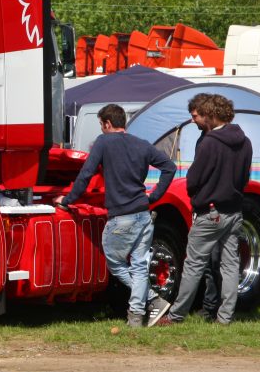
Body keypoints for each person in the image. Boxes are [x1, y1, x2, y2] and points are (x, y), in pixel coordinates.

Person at [53, 104, 177, 328]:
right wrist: (154, 195)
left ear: (107, 124)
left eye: (101, 126)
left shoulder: (104, 142)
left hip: (121, 217)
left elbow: (86, 174)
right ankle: (137, 317)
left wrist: (67, 199)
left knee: (115, 263)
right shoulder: (141, 144)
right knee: (139, 265)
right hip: (143, 213)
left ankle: (150, 299)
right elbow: (169, 166)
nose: (101, 130)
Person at [158, 94, 253, 326]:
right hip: (234, 210)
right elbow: (244, 177)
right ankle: (225, 317)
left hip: (210, 211)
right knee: (230, 265)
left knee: (194, 264)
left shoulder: (210, 142)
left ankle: (177, 315)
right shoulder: (245, 141)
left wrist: (198, 196)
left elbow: (193, 179)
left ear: (211, 115)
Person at [187, 93, 221, 322]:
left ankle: (215, 308)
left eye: (195, 116)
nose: (192, 120)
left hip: (217, 209)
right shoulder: (202, 140)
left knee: (217, 261)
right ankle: (210, 307)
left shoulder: (216, 140)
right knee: (208, 262)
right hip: (204, 207)